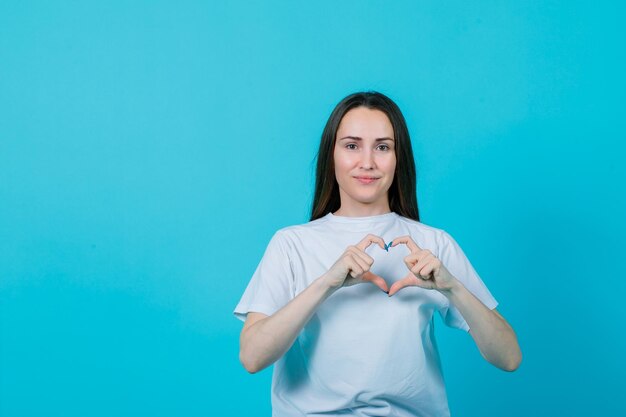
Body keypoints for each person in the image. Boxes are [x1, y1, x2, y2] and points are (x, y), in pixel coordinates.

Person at [234, 91, 521, 417]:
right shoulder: (291, 244)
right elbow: (252, 357)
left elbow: (509, 357)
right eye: (352, 146)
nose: (367, 162)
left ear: (399, 158)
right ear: (332, 155)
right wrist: (327, 283)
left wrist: (452, 287)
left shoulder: (432, 244)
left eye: (382, 147)